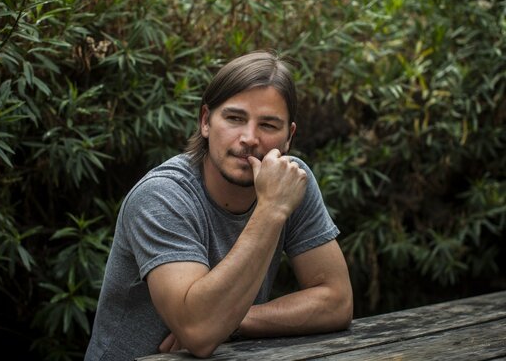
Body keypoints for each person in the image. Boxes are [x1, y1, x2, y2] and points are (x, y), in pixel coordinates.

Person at [85, 50, 353, 360]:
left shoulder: (290, 181)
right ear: (205, 121)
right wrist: (271, 209)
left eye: (268, 125)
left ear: (288, 137)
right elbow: (199, 332)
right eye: (235, 118)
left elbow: (337, 302)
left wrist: (235, 319)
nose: (249, 138)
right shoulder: (162, 196)